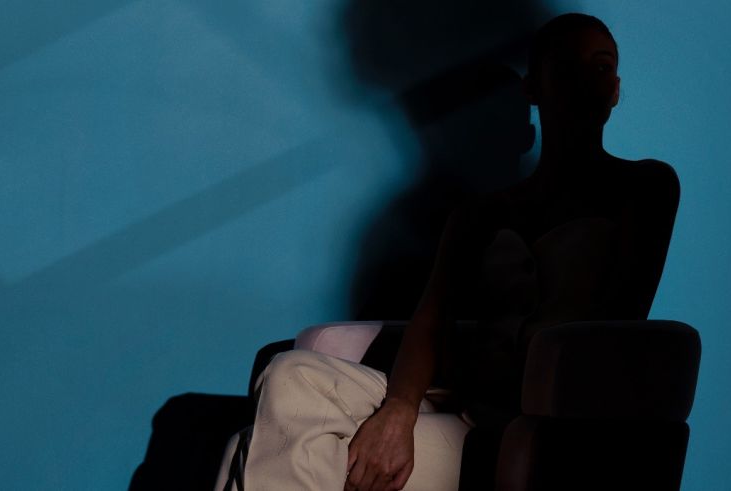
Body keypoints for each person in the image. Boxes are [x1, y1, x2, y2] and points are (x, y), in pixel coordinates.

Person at [215, 12, 679, 491]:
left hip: (541, 420)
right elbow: (431, 319)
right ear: (533, 88)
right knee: (287, 372)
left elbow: (622, 317)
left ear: (615, 90)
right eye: (565, 66)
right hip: (458, 397)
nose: (585, 78)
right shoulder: (479, 213)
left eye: (602, 66)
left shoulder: (645, 186)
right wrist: (398, 412)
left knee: (244, 449)